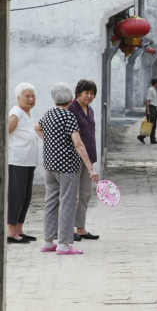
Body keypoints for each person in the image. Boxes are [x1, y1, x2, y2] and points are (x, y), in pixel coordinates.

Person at [34, 82, 98, 255]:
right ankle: (64, 244)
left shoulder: (48, 114)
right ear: (71, 99)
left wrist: (49, 142)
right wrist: (90, 168)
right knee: (68, 202)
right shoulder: (69, 116)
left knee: (51, 201)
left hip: (50, 164)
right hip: (68, 166)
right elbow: (78, 144)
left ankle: (48, 241)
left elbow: (37, 127)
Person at [68, 79, 99, 242]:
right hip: (73, 158)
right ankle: (68, 229)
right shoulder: (71, 108)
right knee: (71, 194)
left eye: (92, 93)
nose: (89, 96)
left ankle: (81, 228)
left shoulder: (90, 110)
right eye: (86, 93)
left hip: (89, 157)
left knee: (85, 194)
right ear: (78, 93)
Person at [7, 83, 38, 244]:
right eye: (27, 96)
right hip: (17, 161)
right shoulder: (16, 113)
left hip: (28, 161)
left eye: (33, 96)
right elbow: (6, 132)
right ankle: (11, 233)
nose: (31, 99)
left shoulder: (27, 113)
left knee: (25, 197)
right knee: (16, 196)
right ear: (18, 98)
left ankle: (19, 229)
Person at [137, 78, 157, 144]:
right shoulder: (150, 90)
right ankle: (147, 138)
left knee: (153, 124)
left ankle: (145, 137)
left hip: (154, 108)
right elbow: (148, 101)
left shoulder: (154, 90)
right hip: (150, 108)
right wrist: (148, 111)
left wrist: (156, 110)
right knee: (151, 124)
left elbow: (154, 102)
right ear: (156, 82)